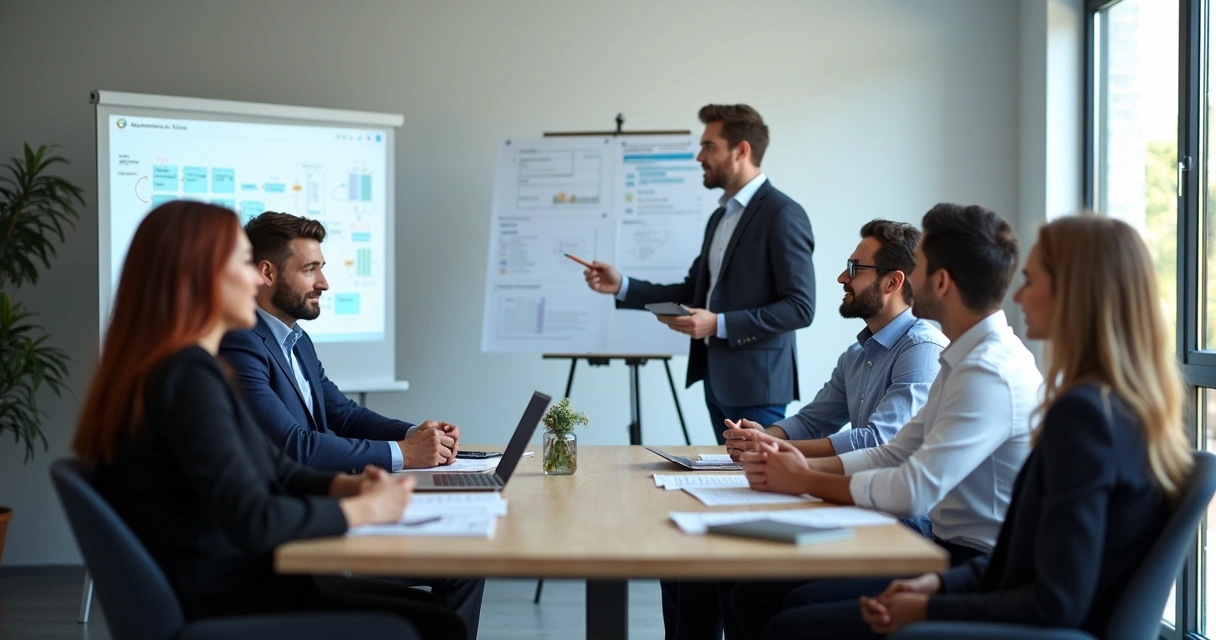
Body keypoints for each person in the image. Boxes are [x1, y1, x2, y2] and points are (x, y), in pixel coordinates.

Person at [771, 215, 1195, 638]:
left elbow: (1055, 601)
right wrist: (938, 584)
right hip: (983, 578)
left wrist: (929, 609)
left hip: (1019, 617)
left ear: (1074, 295)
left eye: (1030, 280)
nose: (1019, 295)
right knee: (782, 604)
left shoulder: (1079, 413)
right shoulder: (1103, 404)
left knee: (793, 620)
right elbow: (1026, 559)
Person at [71, 202, 467, 639]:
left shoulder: (184, 368)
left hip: (236, 584)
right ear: (200, 276)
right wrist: (364, 509)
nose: (258, 277)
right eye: (243, 263)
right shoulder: (184, 378)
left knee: (430, 613)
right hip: (226, 598)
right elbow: (254, 517)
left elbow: (273, 466)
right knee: (437, 625)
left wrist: (345, 485)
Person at [729, 203, 1043, 639]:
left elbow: (914, 489)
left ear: (941, 281)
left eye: (919, 267)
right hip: (949, 552)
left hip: (972, 563)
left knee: (795, 612)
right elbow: (893, 452)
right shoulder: (962, 358)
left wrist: (802, 476)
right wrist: (790, 465)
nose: (910, 278)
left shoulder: (986, 370)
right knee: (754, 596)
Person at [663, 220, 947, 640]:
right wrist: (767, 436)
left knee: (741, 578)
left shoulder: (922, 348)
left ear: (894, 282)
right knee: (691, 563)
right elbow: (814, 418)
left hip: (898, 522)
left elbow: (878, 440)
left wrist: (784, 456)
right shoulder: (858, 352)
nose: (840, 278)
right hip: (848, 502)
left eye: (855, 268)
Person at [219, 211, 484, 634]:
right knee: (458, 574)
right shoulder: (240, 343)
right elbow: (293, 445)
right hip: (296, 541)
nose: (323, 283)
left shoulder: (295, 339)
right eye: (310, 270)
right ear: (266, 273)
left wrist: (415, 435)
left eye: (321, 269)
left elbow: (343, 414)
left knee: (465, 565)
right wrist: (402, 455)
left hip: (320, 509)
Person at [582, 104, 816, 448]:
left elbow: (800, 308)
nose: (699, 157)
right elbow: (695, 291)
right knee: (731, 484)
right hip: (716, 381)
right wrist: (623, 286)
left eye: (709, 146)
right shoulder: (719, 219)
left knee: (760, 488)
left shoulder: (783, 214)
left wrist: (717, 323)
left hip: (758, 389)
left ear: (742, 150)